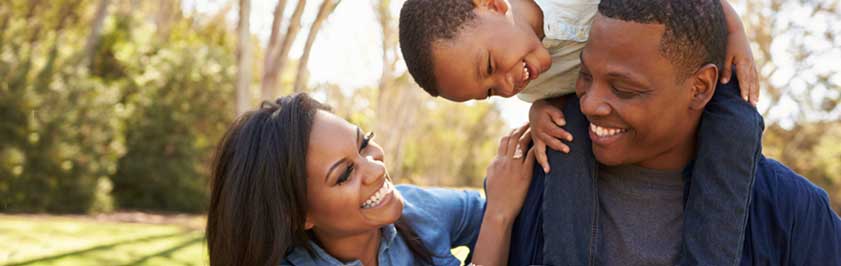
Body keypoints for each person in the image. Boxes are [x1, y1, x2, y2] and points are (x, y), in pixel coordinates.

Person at [399, 0, 762, 264]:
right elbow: (561, 94)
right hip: (615, 110)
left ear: (492, 4)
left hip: (689, 70)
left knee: (739, 124)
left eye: (491, 65)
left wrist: (734, 32)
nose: (507, 85)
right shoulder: (527, 83)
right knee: (563, 137)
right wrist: (540, 108)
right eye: (491, 91)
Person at [520, 0, 841, 265]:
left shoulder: (791, 213)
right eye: (586, 75)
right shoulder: (529, 186)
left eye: (624, 89)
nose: (589, 105)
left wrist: (732, 26)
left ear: (700, 88)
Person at [205, 93, 537, 266]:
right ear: (298, 214)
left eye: (364, 143)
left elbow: (519, 212)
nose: (376, 169)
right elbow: (498, 212)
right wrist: (498, 217)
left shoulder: (417, 210)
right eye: (345, 174)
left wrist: (546, 110)